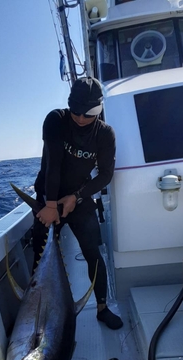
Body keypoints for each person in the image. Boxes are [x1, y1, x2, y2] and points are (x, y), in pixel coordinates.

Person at [32, 76, 123, 330]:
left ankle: (103, 308)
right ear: (69, 104)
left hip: (78, 198)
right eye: (76, 111)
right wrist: (50, 205)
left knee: (93, 252)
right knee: (39, 256)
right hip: (48, 196)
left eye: (88, 113)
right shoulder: (56, 120)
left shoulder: (105, 134)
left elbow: (105, 174)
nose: (81, 118)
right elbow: (54, 164)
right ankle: (37, 310)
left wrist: (77, 197)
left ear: (99, 109)